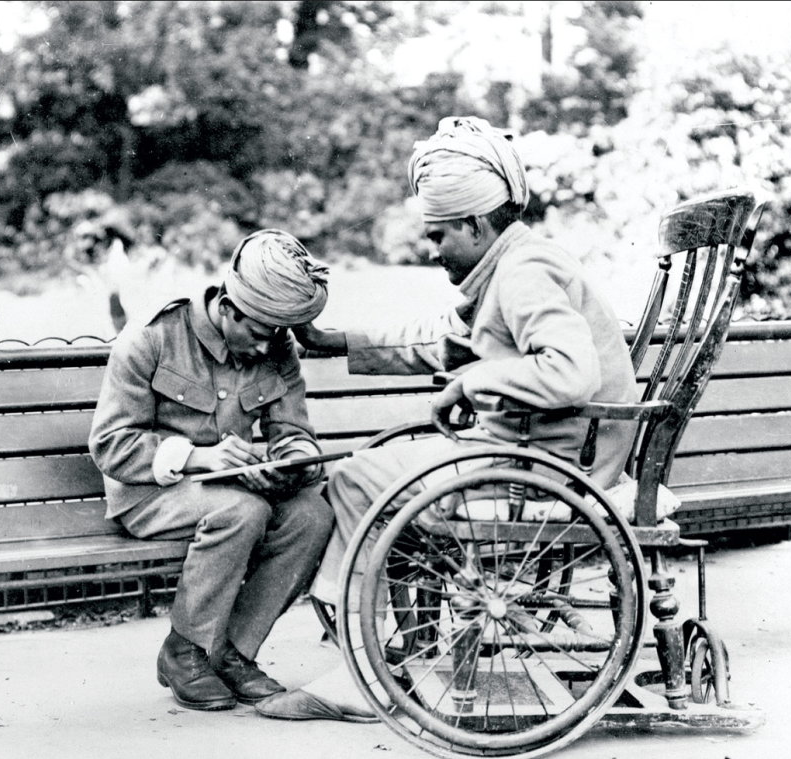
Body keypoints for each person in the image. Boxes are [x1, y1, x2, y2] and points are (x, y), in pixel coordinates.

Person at [255, 117, 640, 722]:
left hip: (547, 468)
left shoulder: (523, 274)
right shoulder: (510, 265)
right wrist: (332, 342)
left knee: (358, 479)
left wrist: (475, 380)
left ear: (477, 223)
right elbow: (445, 344)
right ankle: (395, 652)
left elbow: (571, 373)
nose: (433, 253)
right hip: (542, 453)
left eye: (439, 236)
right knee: (371, 473)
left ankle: (365, 667)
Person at [88, 229, 335, 712]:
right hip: (149, 493)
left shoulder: (275, 342)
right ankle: (185, 651)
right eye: (258, 335)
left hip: (230, 490)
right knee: (240, 511)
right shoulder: (154, 336)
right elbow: (111, 446)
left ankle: (233, 654)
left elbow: (293, 429)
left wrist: (290, 464)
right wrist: (199, 458)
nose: (267, 349)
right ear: (227, 305)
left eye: (275, 337)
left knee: (312, 515)